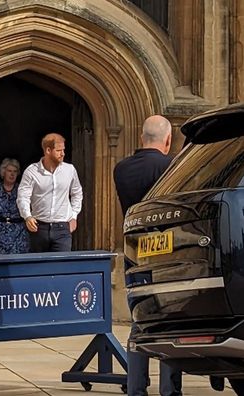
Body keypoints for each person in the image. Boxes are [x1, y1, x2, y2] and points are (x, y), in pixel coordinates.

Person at [113, 115, 182, 396]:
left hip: (135, 251)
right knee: (169, 324)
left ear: (142, 138)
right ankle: (170, 390)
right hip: (166, 253)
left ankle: (136, 387)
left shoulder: (121, 169)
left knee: (139, 323)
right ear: (167, 140)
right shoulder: (172, 166)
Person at [17, 133, 83, 252]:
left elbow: (77, 193)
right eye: (58, 150)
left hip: (62, 228)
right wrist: (27, 216)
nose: (62, 153)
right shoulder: (32, 171)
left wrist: (74, 216)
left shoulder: (69, 170)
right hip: (39, 227)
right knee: (38, 268)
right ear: (48, 150)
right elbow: (23, 197)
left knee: (62, 267)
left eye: (63, 150)